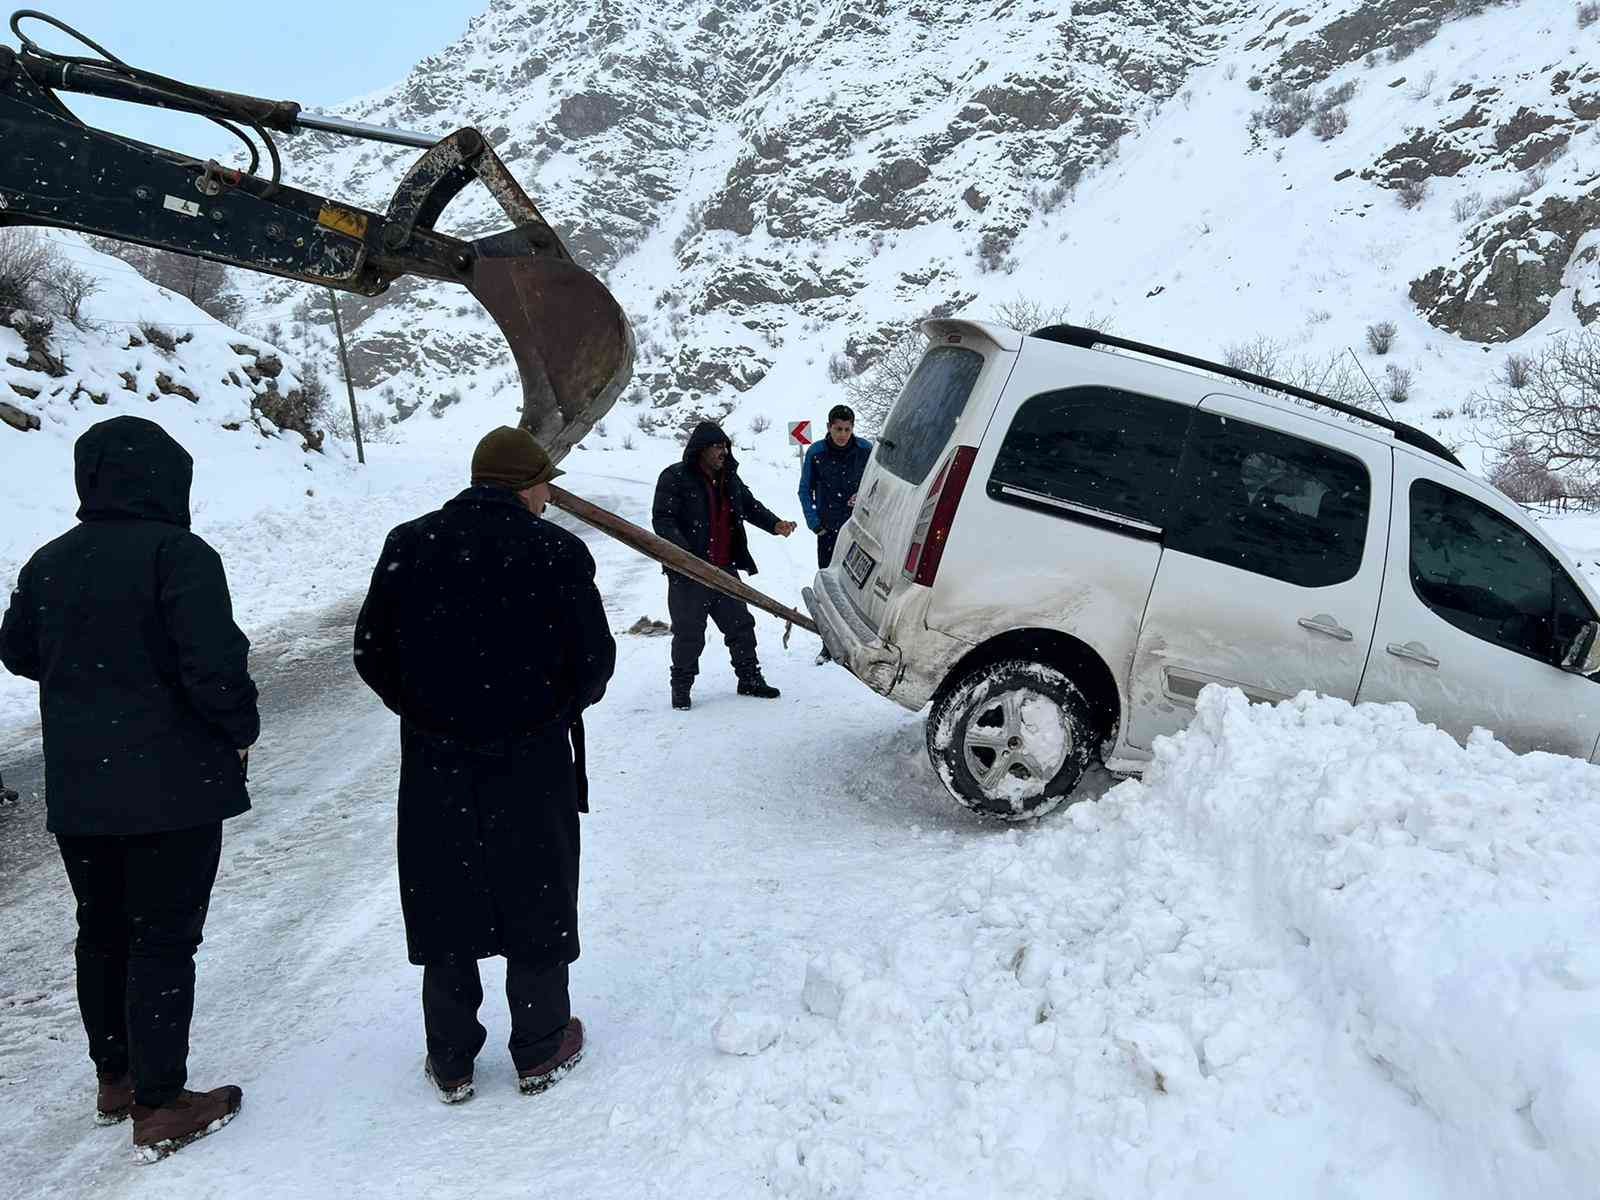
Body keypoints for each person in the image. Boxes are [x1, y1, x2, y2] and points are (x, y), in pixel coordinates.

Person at [0, 415, 257, 1161]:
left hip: (83, 788)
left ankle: (115, 1077)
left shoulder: (50, 561)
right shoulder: (179, 554)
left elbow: (17, 650)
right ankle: (160, 1099)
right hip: (172, 785)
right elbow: (213, 666)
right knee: (165, 937)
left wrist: (88, 662)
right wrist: (240, 726)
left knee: (102, 929)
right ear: (169, 479)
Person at [353, 426, 614, 1105]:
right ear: (528, 486)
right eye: (545, 484)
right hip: (530, 762)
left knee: (445, 896)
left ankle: (451, 1059)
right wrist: (544, 711)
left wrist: (429, 712)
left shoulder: (411, 545)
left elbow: (371, 654)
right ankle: (539, 1044)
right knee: (537, 892)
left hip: (437, 763)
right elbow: (594, 664)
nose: (549, 496)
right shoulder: (557, 552)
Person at [652, 421, 797, 710]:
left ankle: (749, 679)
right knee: (689, 633)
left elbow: (750, 505)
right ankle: (681, 687)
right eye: (717, 446)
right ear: (701, 449)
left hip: (724, 567)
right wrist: (686, 557)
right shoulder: (675, 477)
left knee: (741, 625)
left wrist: (775, 524)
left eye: (725, 446)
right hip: (688, 572)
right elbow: (663, 520)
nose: (723, 452)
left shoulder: (729, 478)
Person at [798, 404, 873, 571]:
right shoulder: (816, 452)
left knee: (856, 580)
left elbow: (876, 484)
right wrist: (814, 522)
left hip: (858, 528)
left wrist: (864, 497)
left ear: (853, 428)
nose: (843, 435)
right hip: (827, 530)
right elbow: (804, 490)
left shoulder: (866, 450)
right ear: (828, 427)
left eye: (847, 429)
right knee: (828, 576)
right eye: (838, 429)